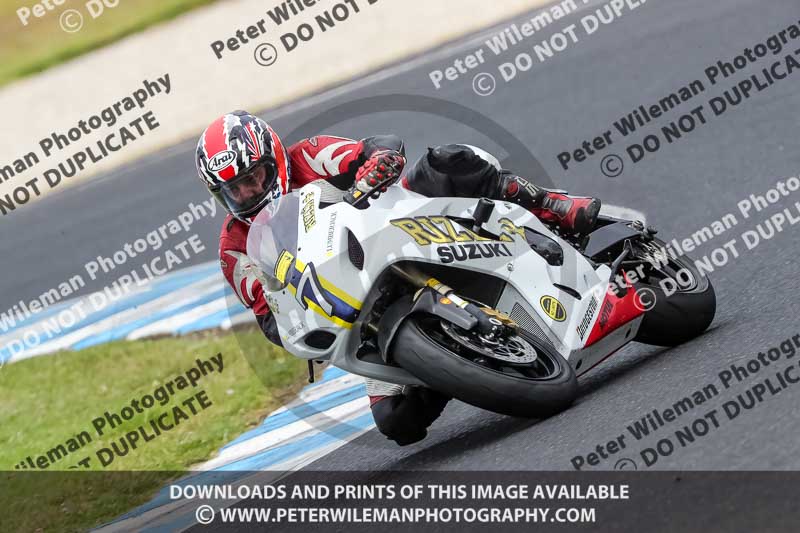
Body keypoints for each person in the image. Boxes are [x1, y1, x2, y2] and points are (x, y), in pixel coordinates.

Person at [196, 110, 601, 446]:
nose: (248, 194)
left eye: (254, 178)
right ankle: (451, 362)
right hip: (358, 309)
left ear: (275, 159)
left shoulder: (309, 155)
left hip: (396, 228)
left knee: (448, 161)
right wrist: (295, 317)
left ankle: (554, 205)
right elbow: (268, 317)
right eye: (234, 190)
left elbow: (377, 146)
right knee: (396, 422)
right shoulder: (235, 247)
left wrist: (379, 163)